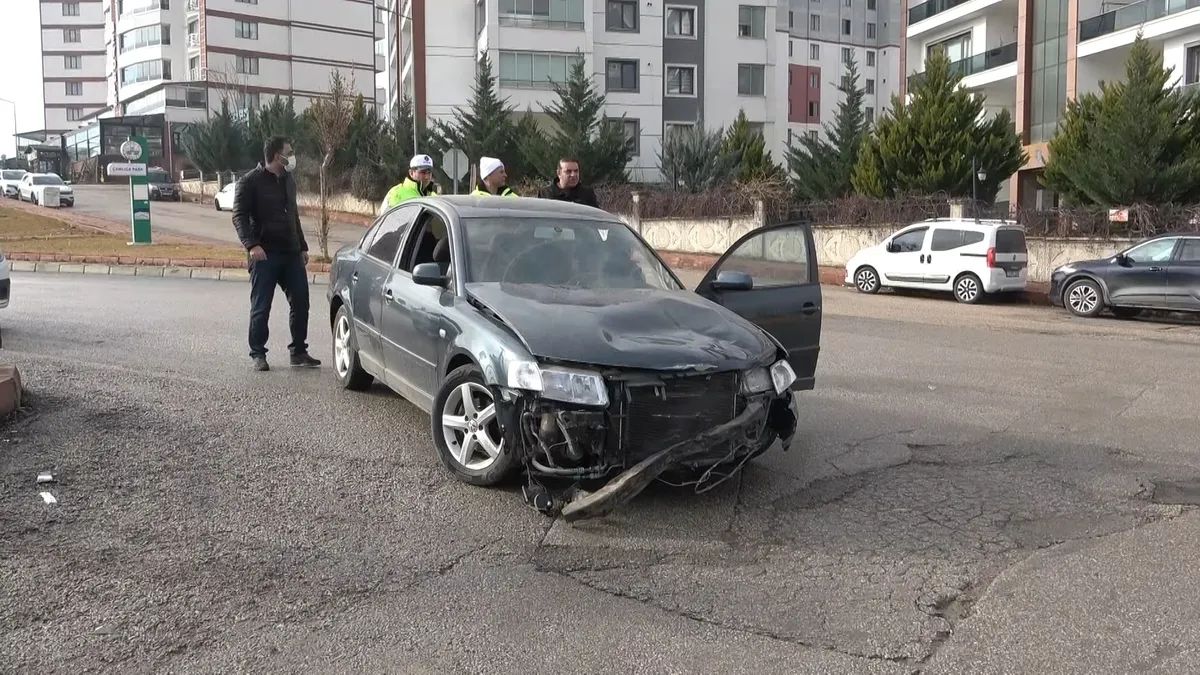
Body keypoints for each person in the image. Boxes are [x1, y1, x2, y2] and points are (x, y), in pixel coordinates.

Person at [232, 136, 321, 372]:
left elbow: (294, 215)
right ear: (275, 155)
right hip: (265, 254)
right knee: (262, 306)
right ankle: (258, 354)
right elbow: (239, 217)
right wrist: (252, 245)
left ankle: (298, 352)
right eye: (288, 152)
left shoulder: (288, 180)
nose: (292, 156)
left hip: (291, 252)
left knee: (301, 302)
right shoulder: (250, 182)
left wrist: (302, 246)